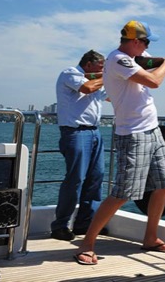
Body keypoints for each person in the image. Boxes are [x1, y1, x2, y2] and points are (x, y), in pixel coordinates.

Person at [73, 21, 165, 265]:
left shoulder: (138, 57)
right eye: (146, 42)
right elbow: (154, 81)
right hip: (133, 134)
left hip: (152, 130)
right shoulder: (118, 60)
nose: (147, 48)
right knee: (123, 192)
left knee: (164, 184)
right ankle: (88, 243)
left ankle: (150, 237)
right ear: (135, 42)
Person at [51, 50, 107, 241]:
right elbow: (87, 88)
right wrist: (110, 76)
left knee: (96, 177)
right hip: (76, 132)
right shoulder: (70, 73)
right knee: (75, 179)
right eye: (101, 67)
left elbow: (108, 95)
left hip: (94, 131)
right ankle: (60, 225)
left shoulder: (96, 79)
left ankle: (85, 222)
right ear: (89, 64)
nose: (104, 71)